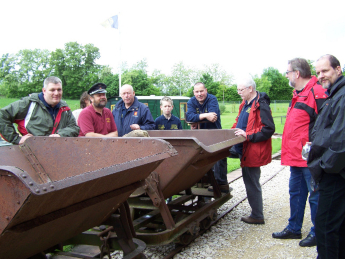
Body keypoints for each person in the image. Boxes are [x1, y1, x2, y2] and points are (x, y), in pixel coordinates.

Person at [272, 58, 327, 247]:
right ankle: (294, 228)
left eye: (287, 72)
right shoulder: (298, 93)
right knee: (295, 193)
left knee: (315, 196)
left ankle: (317, 232)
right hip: (295, 158)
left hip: (309, 158)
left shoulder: (316, 92)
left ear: (296, 73)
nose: (286, 75)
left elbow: (327, 123)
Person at [307, 54, 345, 258]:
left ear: (338, 70)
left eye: (325, 71)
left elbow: (341, 144)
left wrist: (324, 166)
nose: (321, 76)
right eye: (318, 72)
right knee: (336, 226)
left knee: (326, 226)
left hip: (336, 173)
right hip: (334, 170)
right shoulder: (334, 94)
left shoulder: (342, 96)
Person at [231, 75, 275, 224]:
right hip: (242, 148)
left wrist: (247, 135)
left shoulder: (261, 105)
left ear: (250, 88)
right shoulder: (245, 104)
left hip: (252, 150)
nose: (238, 92)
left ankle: (257, 216)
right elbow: (238, 122)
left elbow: (268, 129)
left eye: (241, 89)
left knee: (251, 182)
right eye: (237, 89)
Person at [0, 76, 79, 144]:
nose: (56, 93)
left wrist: (60, 135)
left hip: (56, 151)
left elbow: (74, 128)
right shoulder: (28, 103)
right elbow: (2, 115)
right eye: (52, 90)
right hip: (30, 150)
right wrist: (16, 139)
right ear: (44, 90)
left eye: (59, 90)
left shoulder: (64, 108)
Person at [185, 82, 229, 193]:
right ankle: (204, 183)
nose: (199, 94)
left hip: (214, 134)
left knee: (219, 157)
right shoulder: (191, 101)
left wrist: (196, 119)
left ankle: (221, 184)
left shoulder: (212, 99)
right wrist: (205, 115)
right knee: (201, 159)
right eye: (197, 92)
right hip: (200, 136)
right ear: (194, 92)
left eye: (201, 91)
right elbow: (188, 117)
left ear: (206, 90)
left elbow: (213, 116)